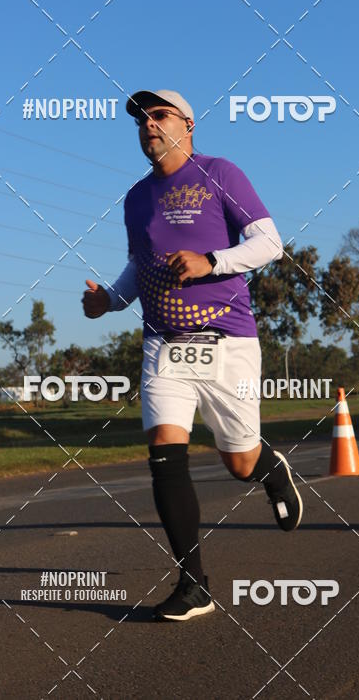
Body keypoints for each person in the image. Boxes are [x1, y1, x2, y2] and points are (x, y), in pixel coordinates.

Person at [82, 89, 303, 622]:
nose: (148, 125)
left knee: (239, 460)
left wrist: (211, 261)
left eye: (159, 115)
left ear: (188, 125)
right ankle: (193, 584)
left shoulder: (220, 173)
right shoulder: (136, 198)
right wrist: (109, 300)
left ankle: (270, 467)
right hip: (163, 343)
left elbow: (269, 242)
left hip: (227, 339)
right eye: (141, 118)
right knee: (164, 449)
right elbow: (141, 265)